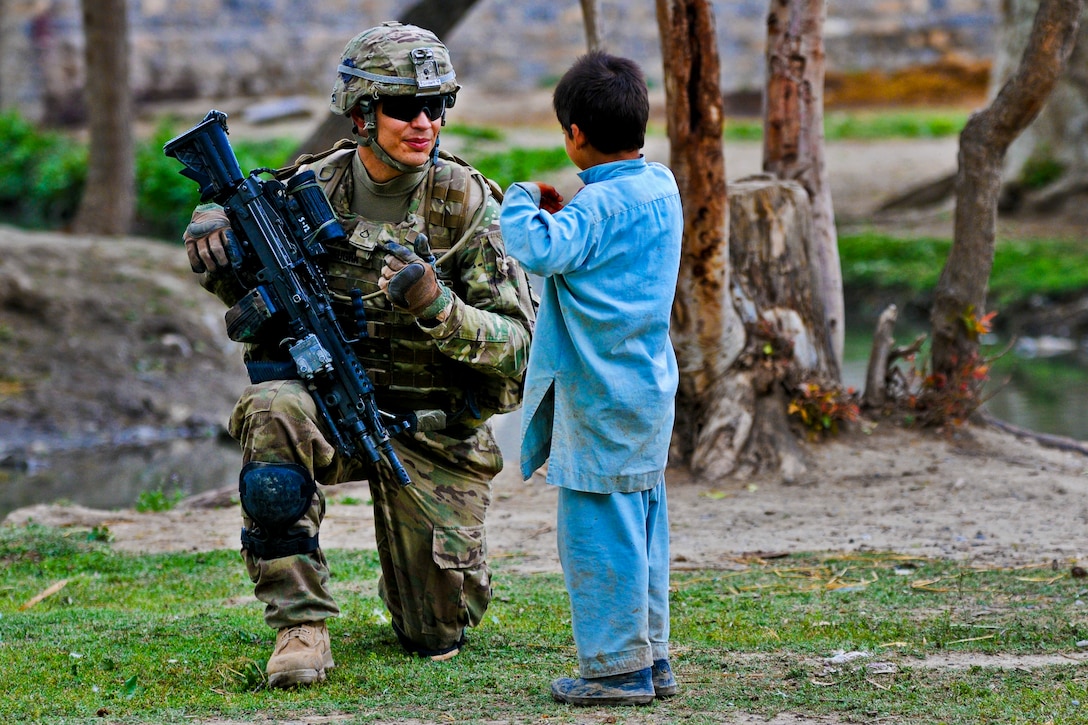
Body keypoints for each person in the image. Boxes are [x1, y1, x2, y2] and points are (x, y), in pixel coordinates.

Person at [182, 21, 536, 688]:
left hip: (434, 430)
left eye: (437, 106)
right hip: (330, 410)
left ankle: (412, 580)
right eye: (406, 107)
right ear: (363, 113)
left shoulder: (468, 206)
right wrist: (213, 231)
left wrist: (438, 307)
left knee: (436, 631)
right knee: (272, 410)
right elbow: (250, 296)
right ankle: (301, 623)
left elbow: (520, 350)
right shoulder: (307, 191)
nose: (425, 122)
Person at [498, 51, 683, 706]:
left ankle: (614, 670)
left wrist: (521, 199)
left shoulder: (593, 212)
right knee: (642, 527)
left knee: (597, 537)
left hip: (598, 399)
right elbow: (590, 237)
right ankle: (651, 657)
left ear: (574, 133)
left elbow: (540, 247)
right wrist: (569, 208)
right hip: (649, 389)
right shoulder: (661, 186)